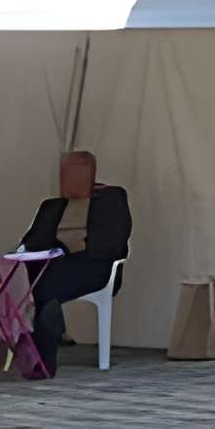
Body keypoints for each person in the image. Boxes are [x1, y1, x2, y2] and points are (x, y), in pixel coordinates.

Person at [16, 151, 131, 376]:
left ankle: (39, 354)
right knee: (34, 282)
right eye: (67, 171)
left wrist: (70, 249)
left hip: (95, 266)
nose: (72, 176)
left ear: (92, 173)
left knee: (44, 288)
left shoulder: (111, 198)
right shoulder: (51, 206)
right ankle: (40, 344)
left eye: (80, 170)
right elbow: (29, 242)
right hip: (53, 266)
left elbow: (117, 241)